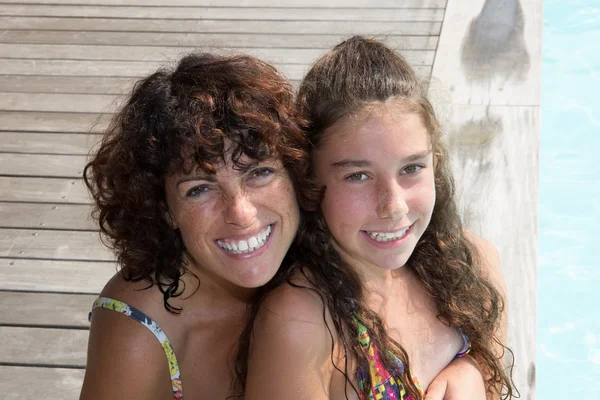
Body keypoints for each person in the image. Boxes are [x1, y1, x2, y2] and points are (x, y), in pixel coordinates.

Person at [237, 37, 514, 399]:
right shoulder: (303, 323)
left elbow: (494, 379)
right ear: (308, 179)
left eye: (411, 168)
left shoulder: (471, 266)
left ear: (436, 164)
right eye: (358, 176)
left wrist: (472, 368)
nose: (394, 205)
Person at [80, 52, 309, 399]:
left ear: (294, 174)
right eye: (200, 189)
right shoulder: (138, 331)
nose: (241, 213)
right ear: (164, 208)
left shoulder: (324, 261)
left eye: (259, 172)